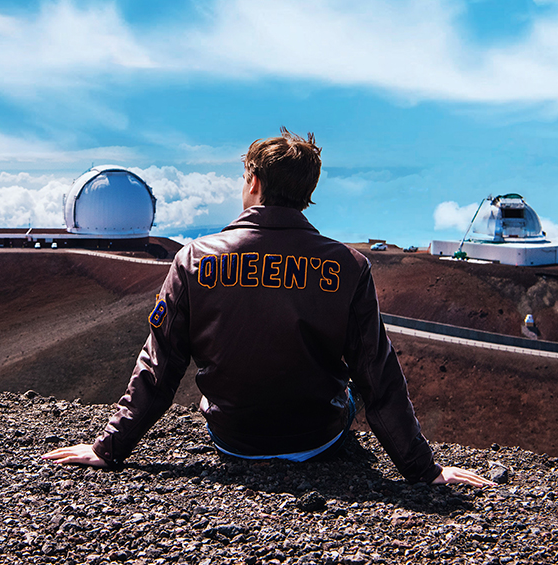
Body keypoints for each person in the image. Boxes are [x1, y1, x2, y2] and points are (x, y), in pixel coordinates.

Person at [43, 128, 493, 488]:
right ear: (306, 192)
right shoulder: (350, 266)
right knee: (351, 390)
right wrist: (423, 471)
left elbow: (160, 367)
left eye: (244, 179)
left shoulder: (194, 259)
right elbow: (379, 376)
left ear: (254, 182)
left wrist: (109, 448)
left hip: (234, 438)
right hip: (318, 438)